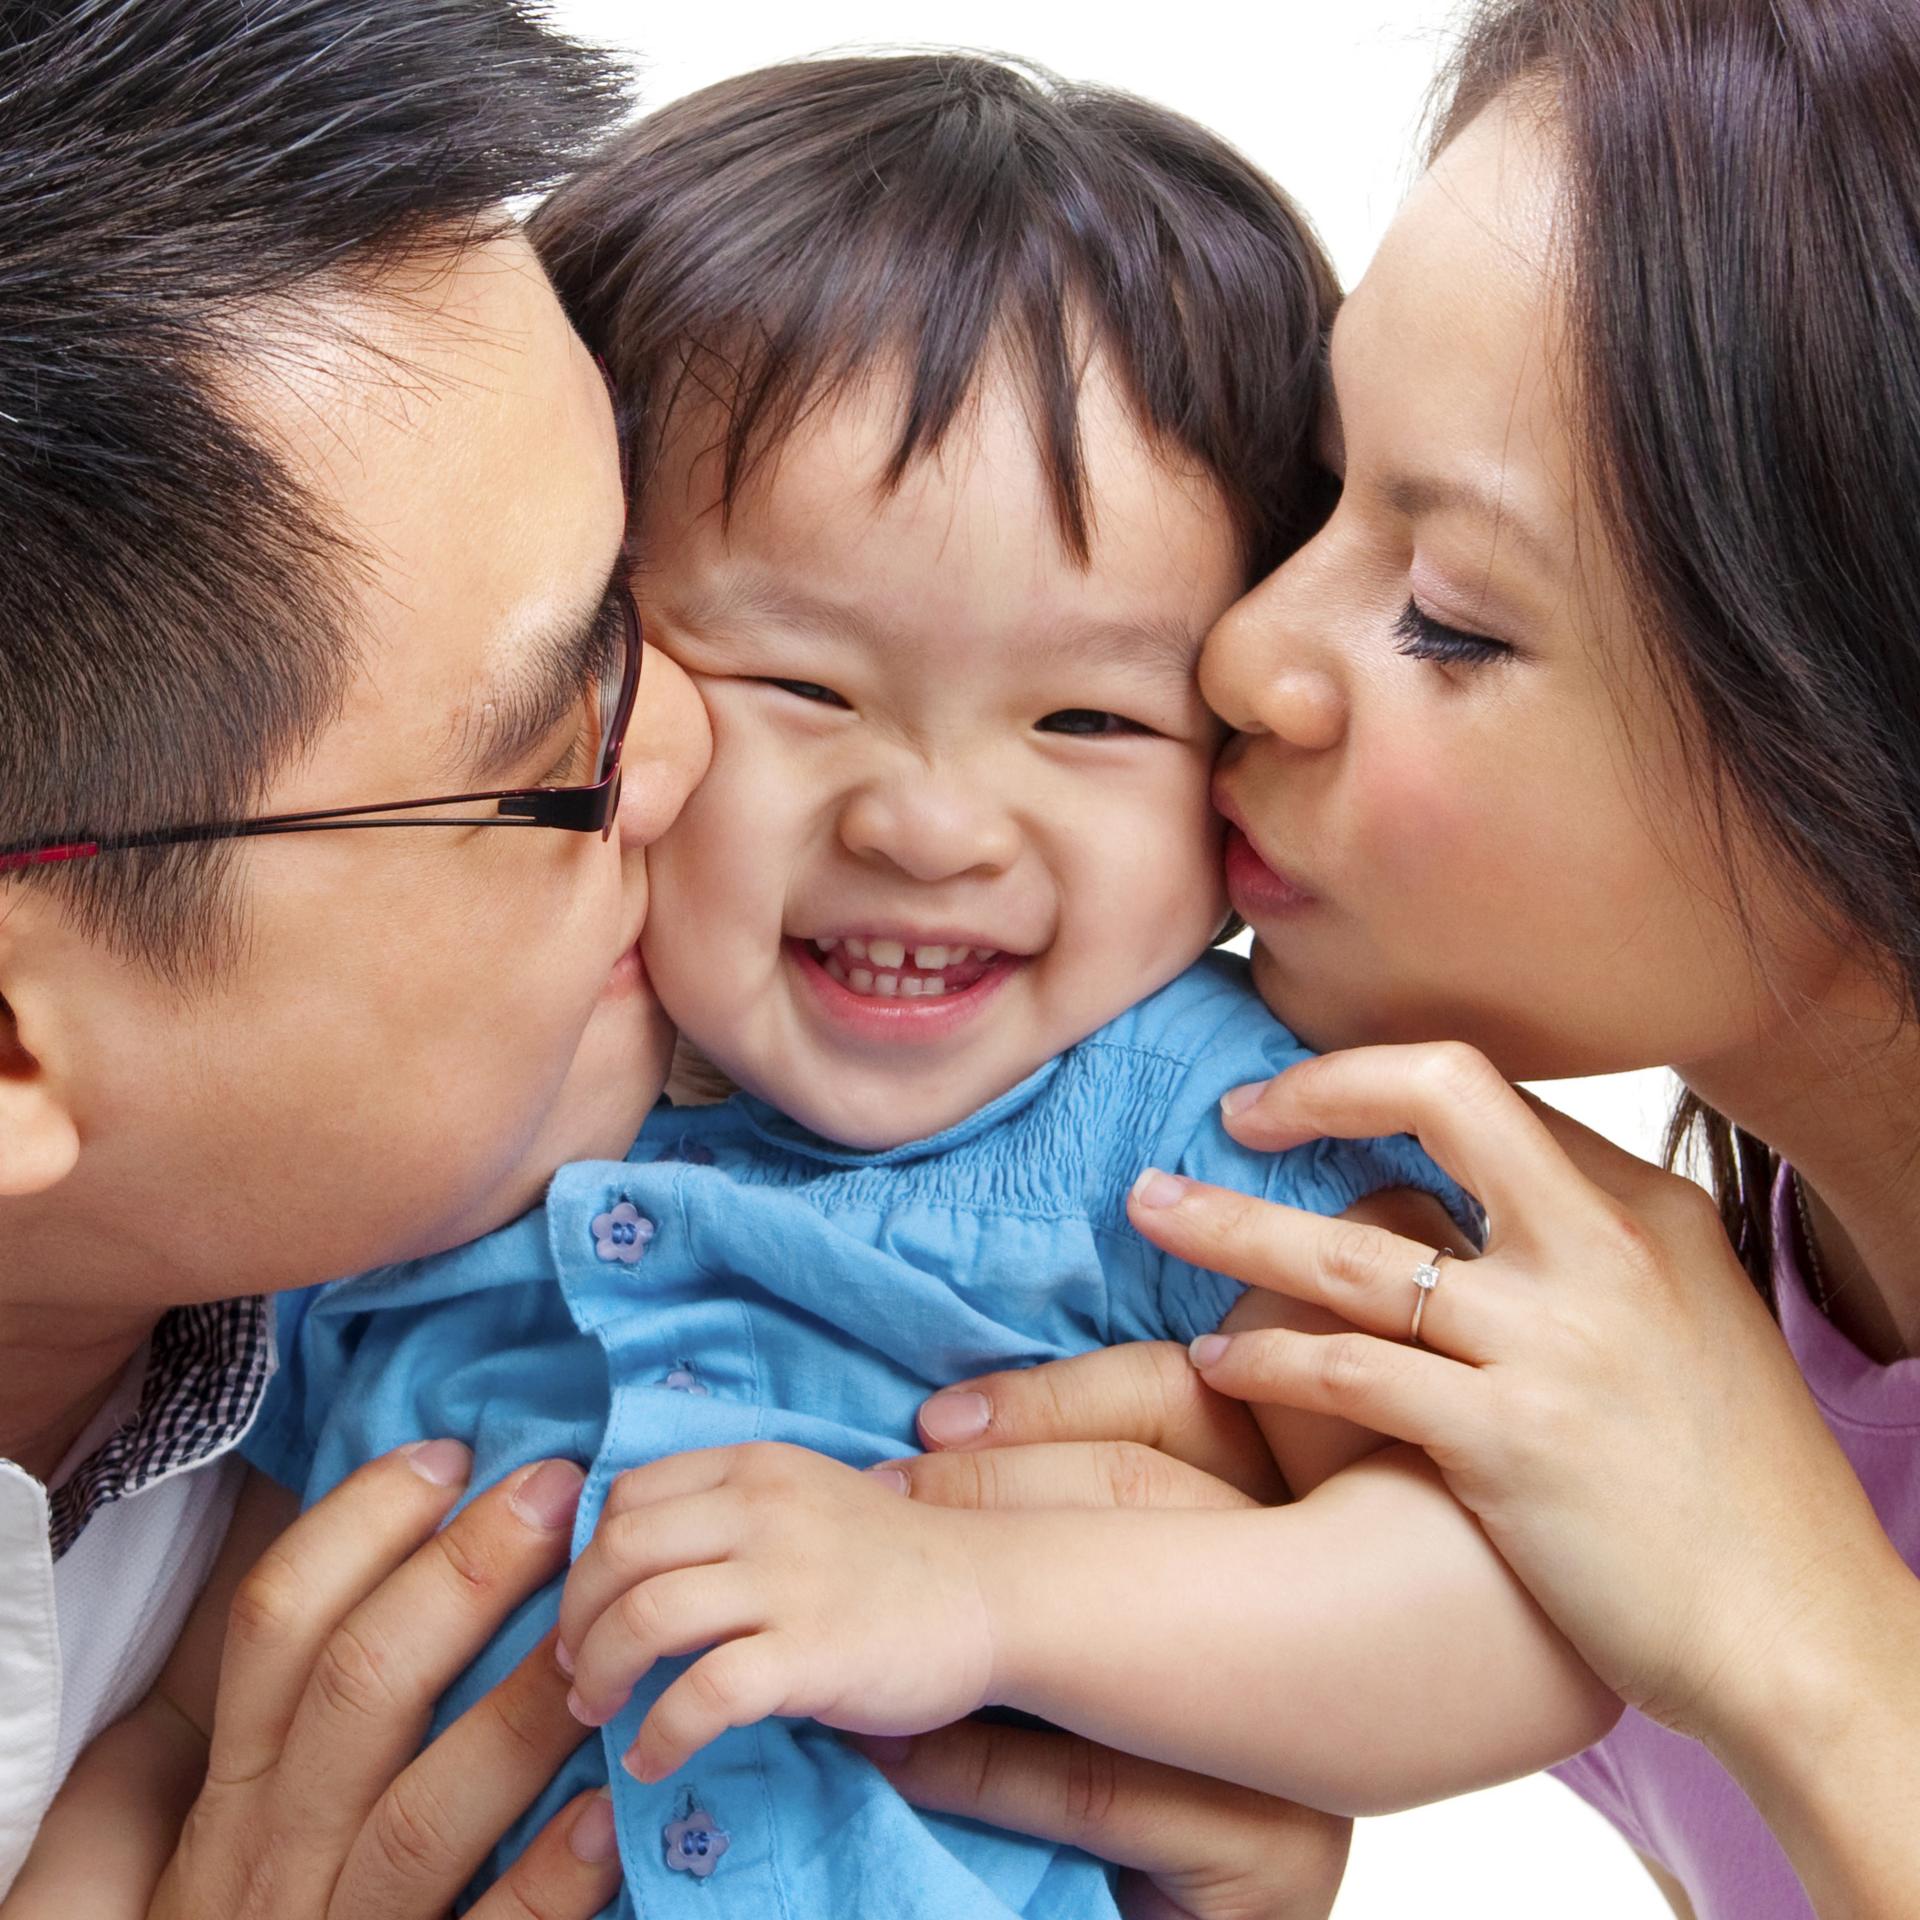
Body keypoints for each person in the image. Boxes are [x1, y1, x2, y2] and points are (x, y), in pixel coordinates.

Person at [0, 6, 1340, 1917]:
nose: (920, 824)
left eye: (1092, 719)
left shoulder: (1211, 1129)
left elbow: (1522, 1584)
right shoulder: (378, 1263)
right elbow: (184, 1734)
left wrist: (1239, 1669)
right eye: (568, 722)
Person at [885, 2, 1920, 1915]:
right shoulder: (1627, 1359)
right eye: (1330, 484)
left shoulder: (1701, 1493)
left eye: (1447, 618)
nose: (1244, 660)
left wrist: (1807, 1648)